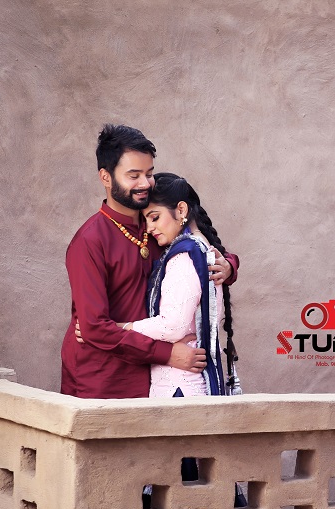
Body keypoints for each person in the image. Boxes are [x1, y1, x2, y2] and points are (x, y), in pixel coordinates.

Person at [61, 124, 239, 399]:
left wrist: (228, 265)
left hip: (153, 379)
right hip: (101, 380)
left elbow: (198, 246)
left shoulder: (155, 228)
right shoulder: (90, 241)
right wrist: (167, 354)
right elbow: (94, 329)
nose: (145, 183)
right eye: (134, 176)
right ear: (106, 177)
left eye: (149, 173)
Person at [121, 173, 242, 397]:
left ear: (181, 210)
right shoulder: (202, 249)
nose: (149, 228)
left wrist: (121, 328)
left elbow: (172, 325)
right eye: (146, 220)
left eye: (155, 217)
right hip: (189, 381)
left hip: (178, 386)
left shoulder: (184, 256)